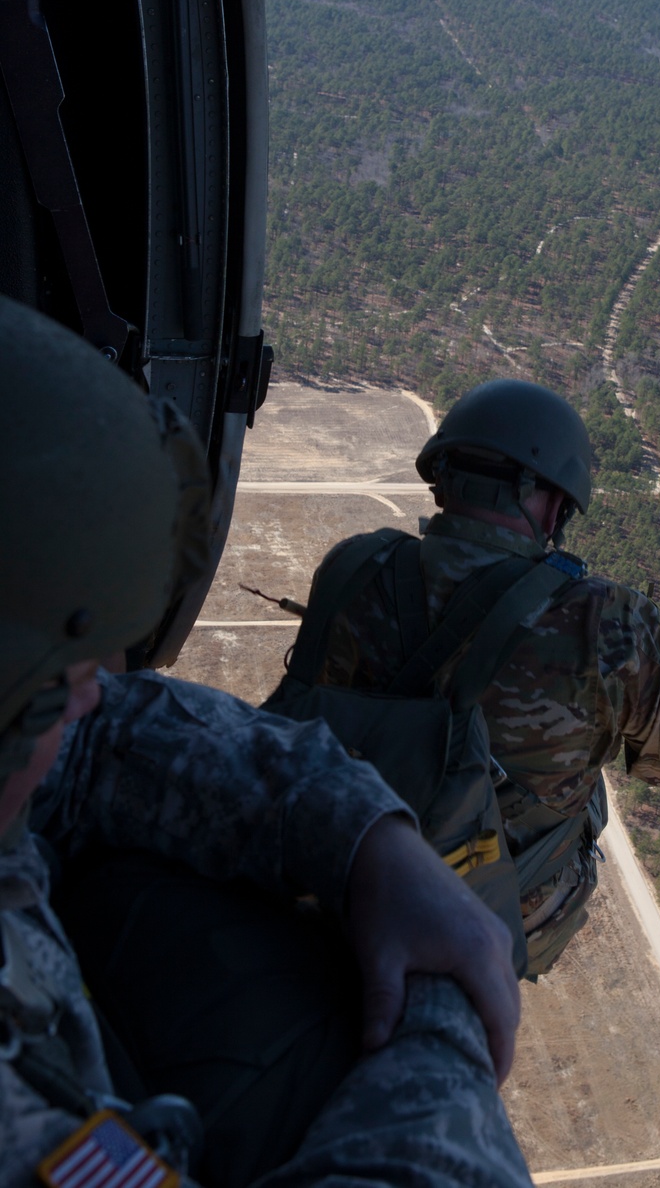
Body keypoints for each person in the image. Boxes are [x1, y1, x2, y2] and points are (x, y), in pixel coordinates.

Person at [0, 295, 531, 1188]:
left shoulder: (360, 559)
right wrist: (442, 1015)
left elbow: (107, 743)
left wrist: (368, 841)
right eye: (76, 680)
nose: (95, 704)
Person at [267, 379, 660, 979]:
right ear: (553, 505)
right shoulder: (611, 623)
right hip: (491, 908)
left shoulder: (354, 566)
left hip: (339, 861)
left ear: (443, 478)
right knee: (592, 799)